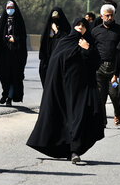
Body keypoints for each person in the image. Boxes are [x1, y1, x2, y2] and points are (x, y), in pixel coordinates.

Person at [26, 17, 104, 164]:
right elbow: (56, 64)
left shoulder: (90, 43)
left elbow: (95, 64)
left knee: (81, 118)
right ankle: (71, 150)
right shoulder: (65, 43)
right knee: (66, 120)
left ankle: (75, 150)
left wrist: (87, 49)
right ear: (73, 27)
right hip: (64, 89)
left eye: (83, 25)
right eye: (78, 25)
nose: (80, 27)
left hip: (83, 89)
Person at [91, 3, 120, 126]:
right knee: (100, 96)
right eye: (107, 15)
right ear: (101, 16)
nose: (110, 18)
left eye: (112, 15)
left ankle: (118, 114)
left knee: (115, 95)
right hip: (99, 68)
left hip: (114, 68)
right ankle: (102, 120)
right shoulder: (95, 31)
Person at [0, 0, 27, 106]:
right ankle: (5, 93)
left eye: (12, 8)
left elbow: (23, 37)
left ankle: (9, 97)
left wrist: (16, 39)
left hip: (16, 55)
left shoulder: (19, 21)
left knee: (14, 77)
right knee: (4, 77)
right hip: (4, 54)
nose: (10, 10)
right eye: (8, 8)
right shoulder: (3, 21)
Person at [39, 7, 70, 86]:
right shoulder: (48, 28)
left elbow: (65, 40)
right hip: (47, 59)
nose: (55, 20)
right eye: (53, 18)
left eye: (57, 18)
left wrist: (57, 31)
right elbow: (43, 42)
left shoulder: (65, 29)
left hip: (59, 59)